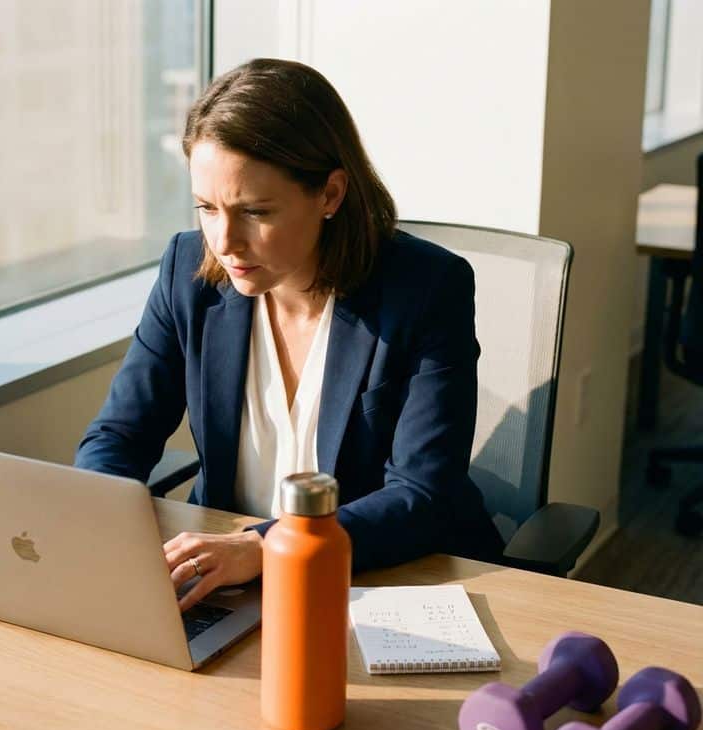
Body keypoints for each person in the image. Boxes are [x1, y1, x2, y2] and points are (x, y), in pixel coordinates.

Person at [75, 58, 504, 611]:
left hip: (383, 583)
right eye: (207, 207)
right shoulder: (188, 271)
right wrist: (101, 529)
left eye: (255, 211)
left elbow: (420, 497)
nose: (224, 241)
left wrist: (266, 548)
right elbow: (117, 437)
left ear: (329, 194)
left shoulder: (426, 291)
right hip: (232, 585)